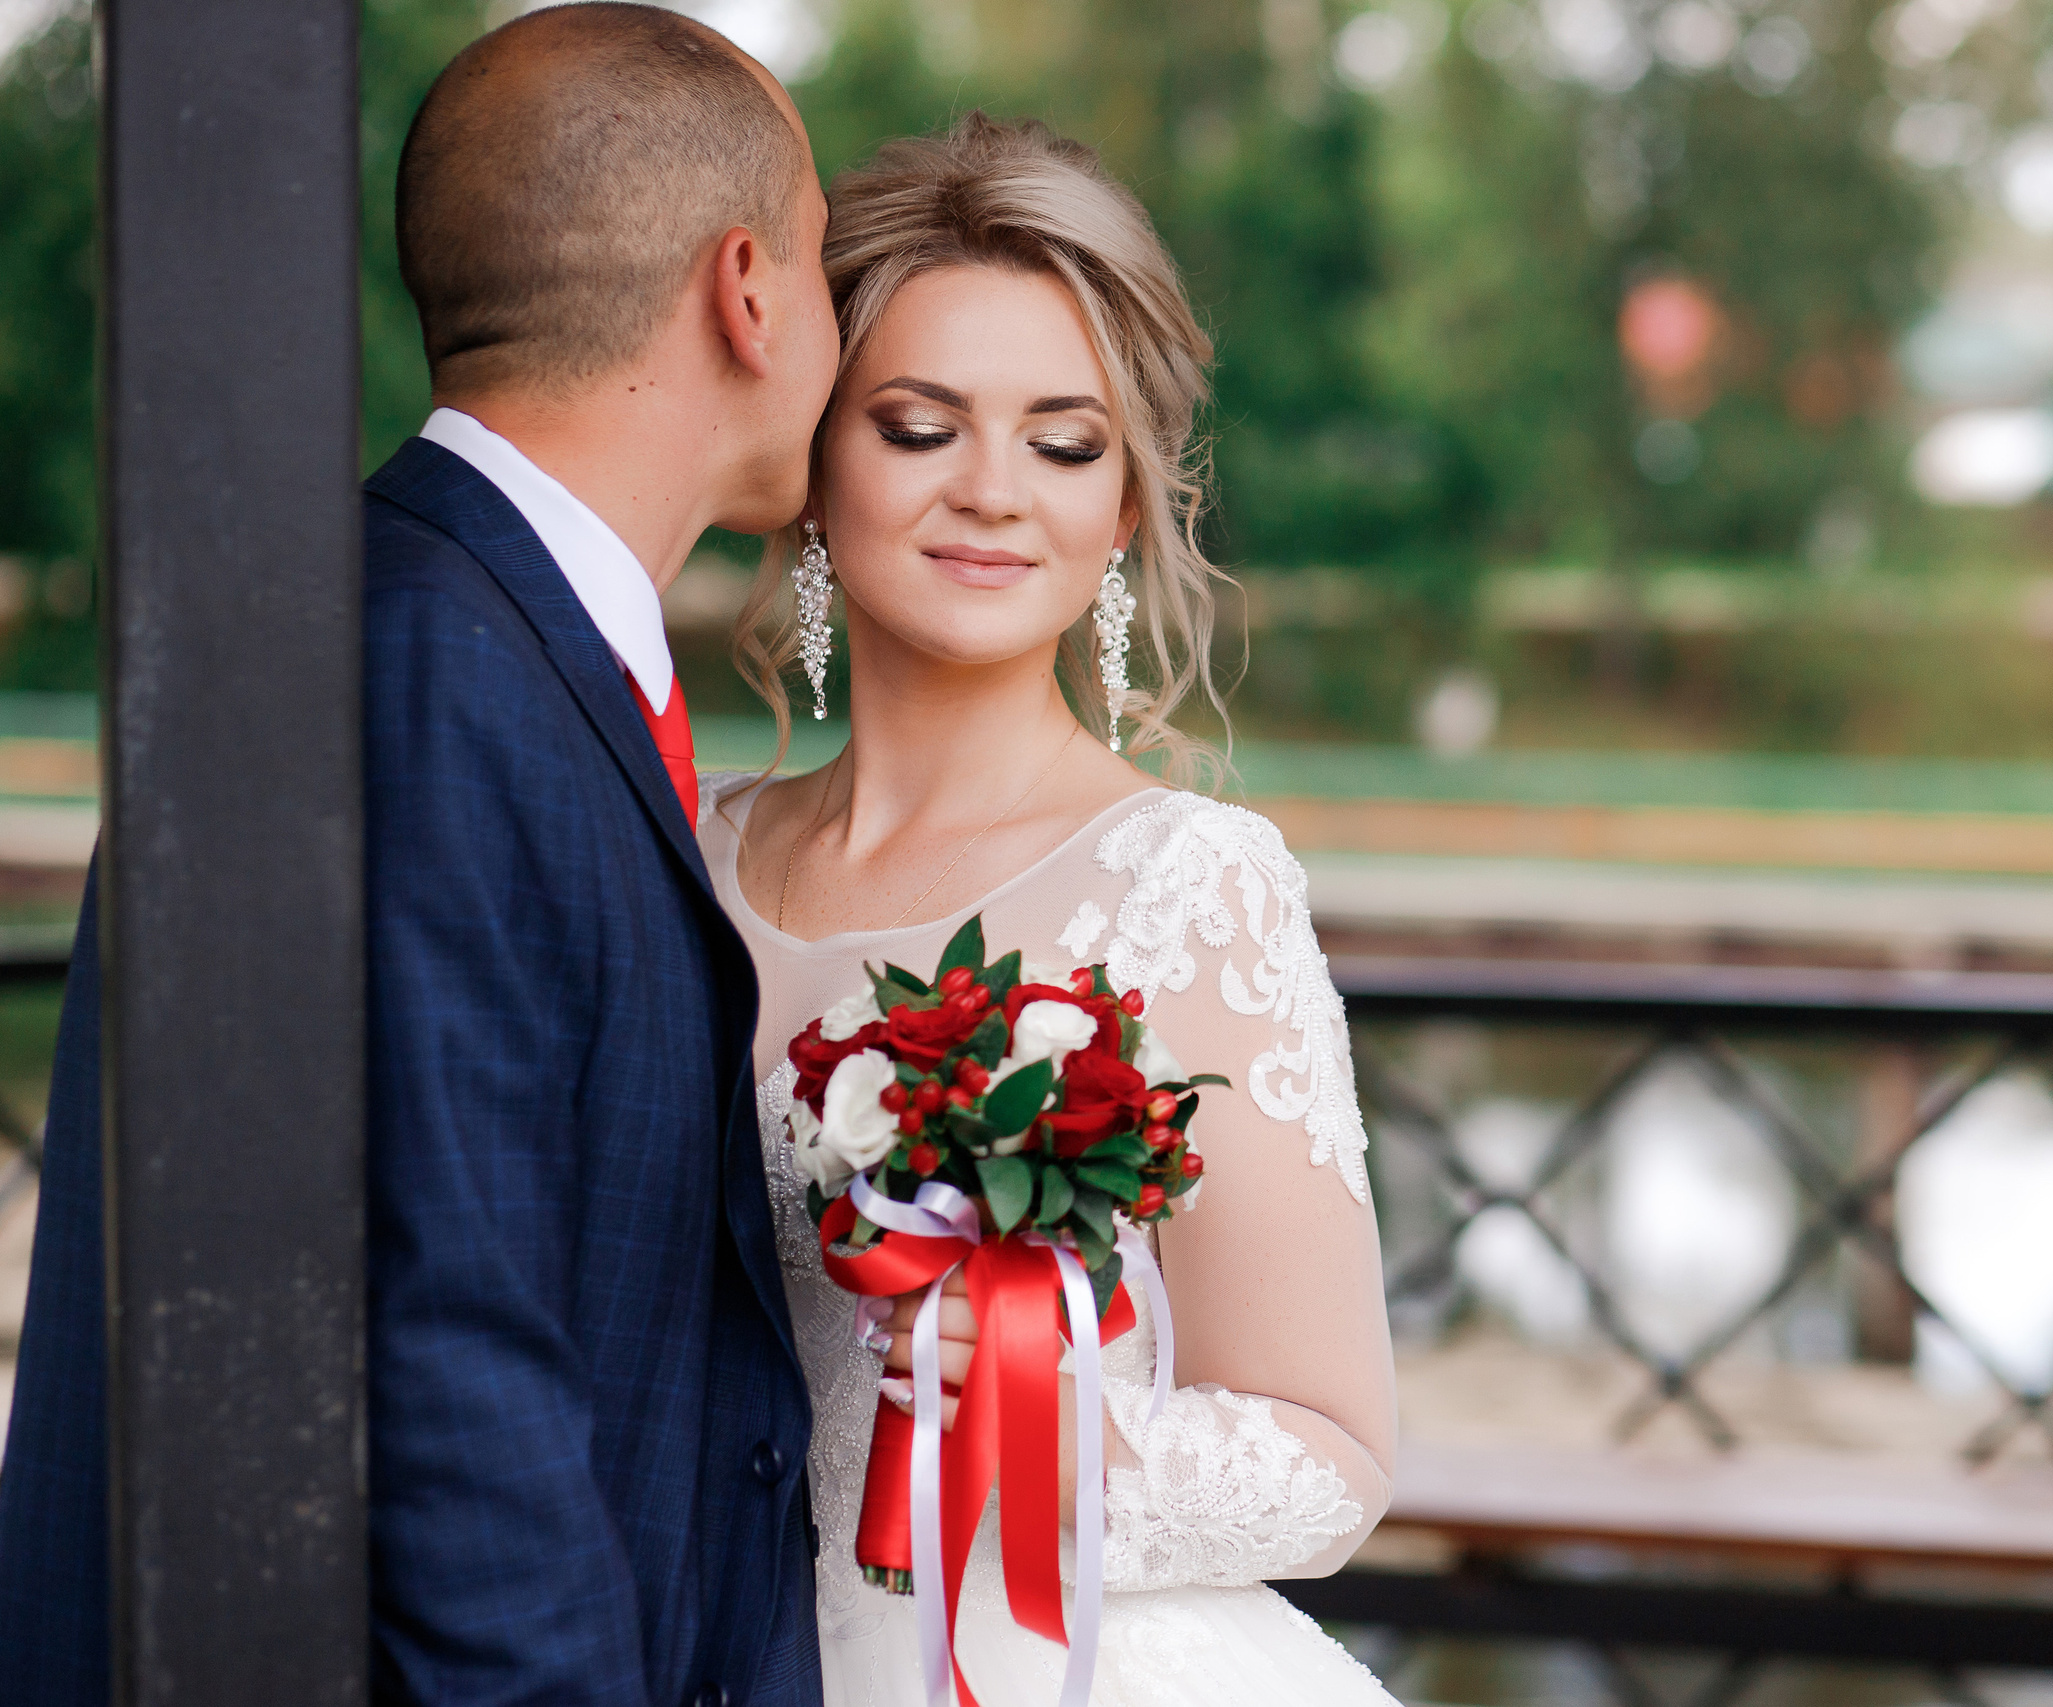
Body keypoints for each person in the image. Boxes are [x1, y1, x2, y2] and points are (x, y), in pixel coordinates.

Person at [0, 7, 844, 1702]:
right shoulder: (430, 664)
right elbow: (440, 1344)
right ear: (747, 291)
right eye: (826, 269)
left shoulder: (460, 628)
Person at [701, 115, 1400, 1704]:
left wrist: (1029, 1435)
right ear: (816, 458)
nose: (993, 493)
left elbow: (1330, 1454)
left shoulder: (1189, 889)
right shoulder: (681, 851)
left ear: (1126, 509)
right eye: (919, 425)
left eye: (1064, 441)